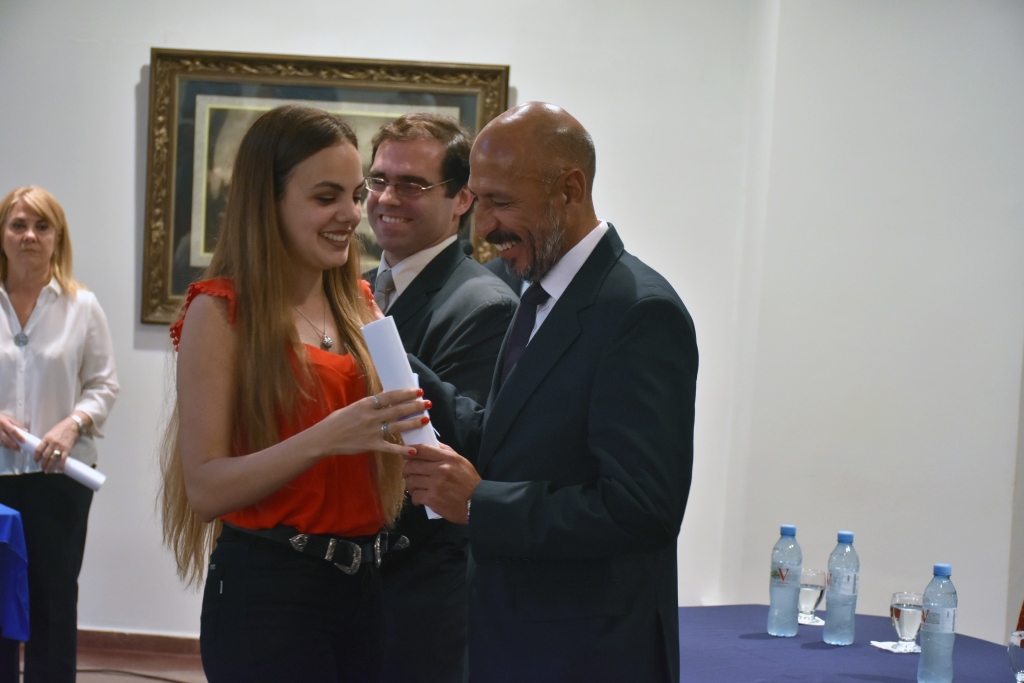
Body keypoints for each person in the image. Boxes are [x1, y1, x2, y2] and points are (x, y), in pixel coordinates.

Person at [403, 102, 698, 683]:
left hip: (589, 655)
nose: (483, 227)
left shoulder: (641, 312)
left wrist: (480, 505)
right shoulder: (533, 287)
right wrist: (398, 365)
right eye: (477, 200)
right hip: (513, 639)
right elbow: (509, 438)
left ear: (571, 188)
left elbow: (642, 510)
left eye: (501, 202)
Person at [158, 105, 430, 682]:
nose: (351, 216)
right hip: (270, 594)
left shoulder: (360, 303)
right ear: (269, 200)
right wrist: (328, 437)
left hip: (367, 585)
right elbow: (205, 488)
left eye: (356, 195)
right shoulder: (221, 310)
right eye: (326, 196)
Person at [363, 113, 518, 683]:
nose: (386, 197)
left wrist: (374, 333)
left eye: (412, 184)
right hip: (350, 578)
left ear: (462, 200)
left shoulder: (484, 303)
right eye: (378, 180)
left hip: (419, 588)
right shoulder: (358, 286)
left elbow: (463, 440)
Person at [0, 186, 119, 683]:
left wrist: (73, 424)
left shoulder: (82, 306)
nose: (29, 236)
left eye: (41, 226)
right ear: (2, 235)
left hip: (59, 478)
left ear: (57, 238)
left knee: (53, 597)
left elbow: (104, 384)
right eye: (18, 225)